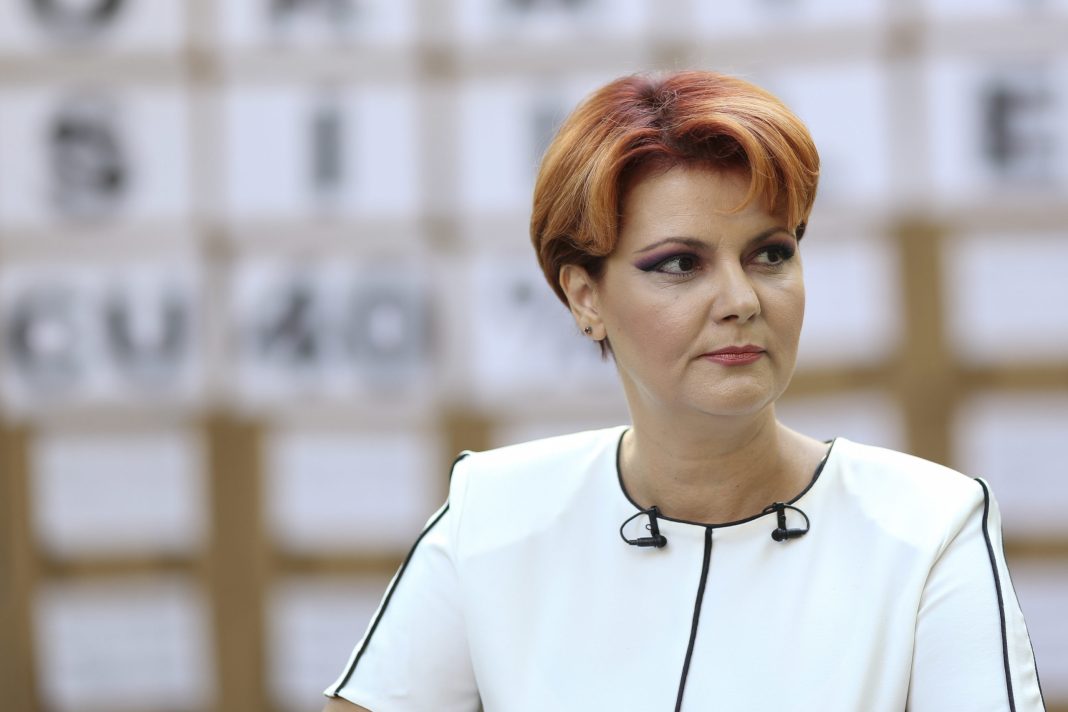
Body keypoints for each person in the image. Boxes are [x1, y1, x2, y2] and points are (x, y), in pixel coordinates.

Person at [322, 70, 1045, 711]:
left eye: (770, 254)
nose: (741, 300)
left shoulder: (926, 526)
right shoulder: (494, 512)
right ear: (584, 297)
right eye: (678, 264)